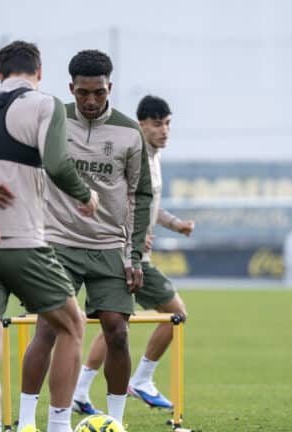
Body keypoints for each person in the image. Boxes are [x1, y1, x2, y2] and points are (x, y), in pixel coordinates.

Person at [0, 40, 99, 432]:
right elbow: (56, 163)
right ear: (38, 73)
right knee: (72, 325)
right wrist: (85, 194)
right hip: (21, 242)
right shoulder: (45, 104)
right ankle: (58, 425)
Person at [16, 49, 153, 430]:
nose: (91, 101)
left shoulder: (130, 132)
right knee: (47, 328)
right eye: (82, 93)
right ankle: (27, 421)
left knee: (118, 331)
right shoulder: (51, 119)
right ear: (70, 88)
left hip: (109, 246)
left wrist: (135, 255)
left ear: (110, 87)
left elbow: (141, 196)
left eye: (99, 92)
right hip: (56, 242)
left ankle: (115, 421)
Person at [72, 95, 194, 413]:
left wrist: (174, 224)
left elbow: (149, 204)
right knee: (176, 314)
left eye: (168, 123)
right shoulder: (133, 153)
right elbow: (118, 200)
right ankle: (141, 380)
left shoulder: (154, 157)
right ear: (141, 125)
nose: (164, 130)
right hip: (129, 255)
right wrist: (135, 238)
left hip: (132, 251)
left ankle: (80, 391)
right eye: (157, 124)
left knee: (114, 324)